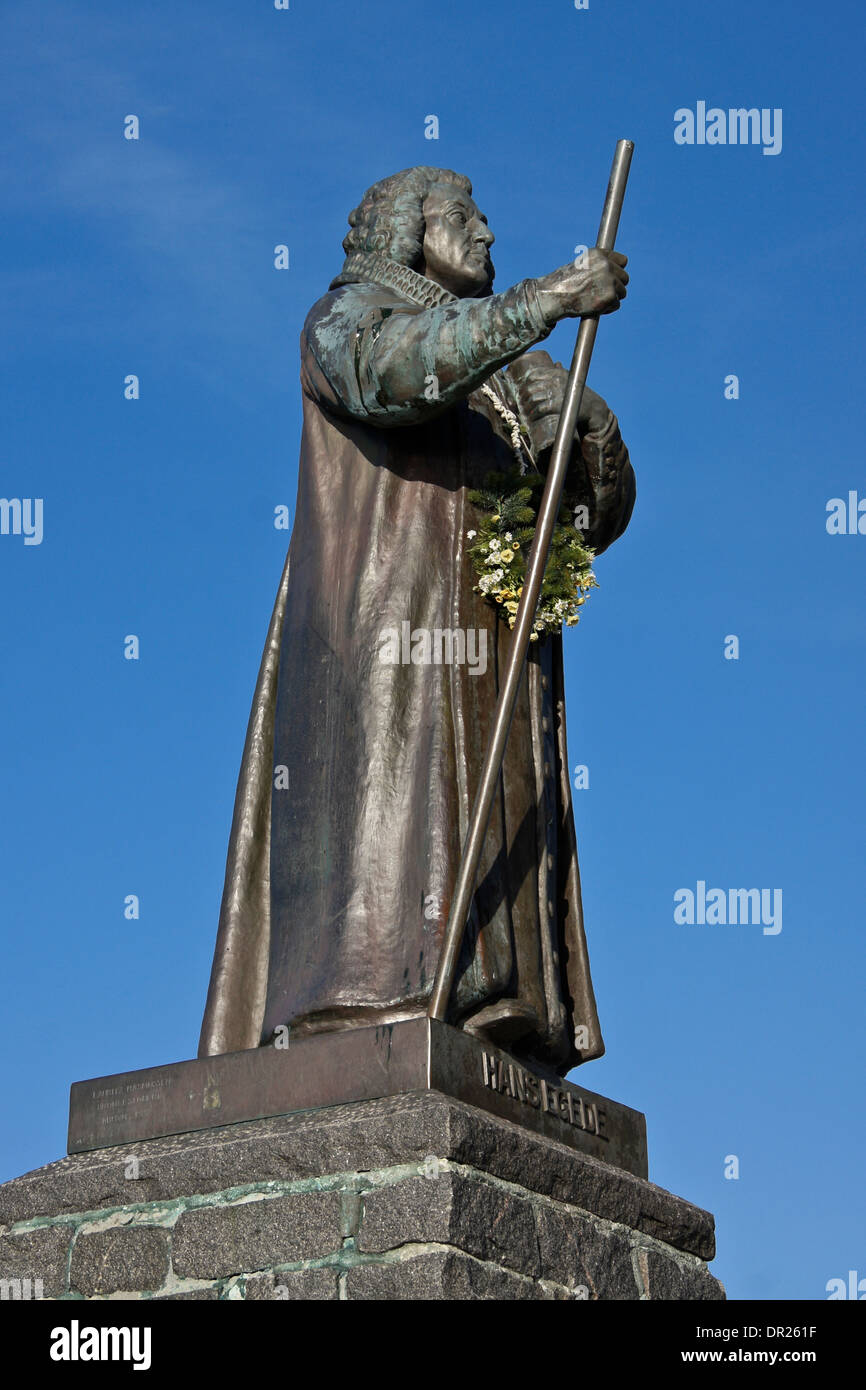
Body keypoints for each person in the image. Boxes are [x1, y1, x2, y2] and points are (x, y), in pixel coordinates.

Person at [199, 166, 634, 1072]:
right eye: (465, 216)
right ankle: (376, 1007)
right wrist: (545, 297)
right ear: (407, 230)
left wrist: (587, 433)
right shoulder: (348, 318)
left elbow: (591, 523)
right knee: (398, 831)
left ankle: (499, 1008)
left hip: (491, 655)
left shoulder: (513, 374)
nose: (488, 230)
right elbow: (386, 378)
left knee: (496, 821)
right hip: (388, 640)